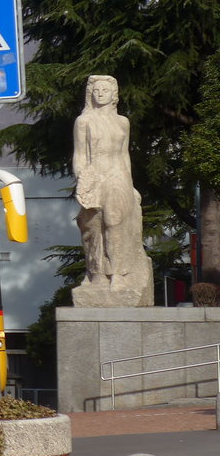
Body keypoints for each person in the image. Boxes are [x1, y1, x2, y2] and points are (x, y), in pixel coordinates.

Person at [72, 75, 153, 304]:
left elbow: (124, 155)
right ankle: (97, 273)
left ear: (113, 94)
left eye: (105, 90)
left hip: (118, 176)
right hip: (94, 175)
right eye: (96, 90)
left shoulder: (122, 122)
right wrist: (83, 179)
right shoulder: (83, 121)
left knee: (115, 222)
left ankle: (117, 274)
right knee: (94, 226)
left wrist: (131, 184)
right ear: (91, 94)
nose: (100, 94)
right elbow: (78, 155)